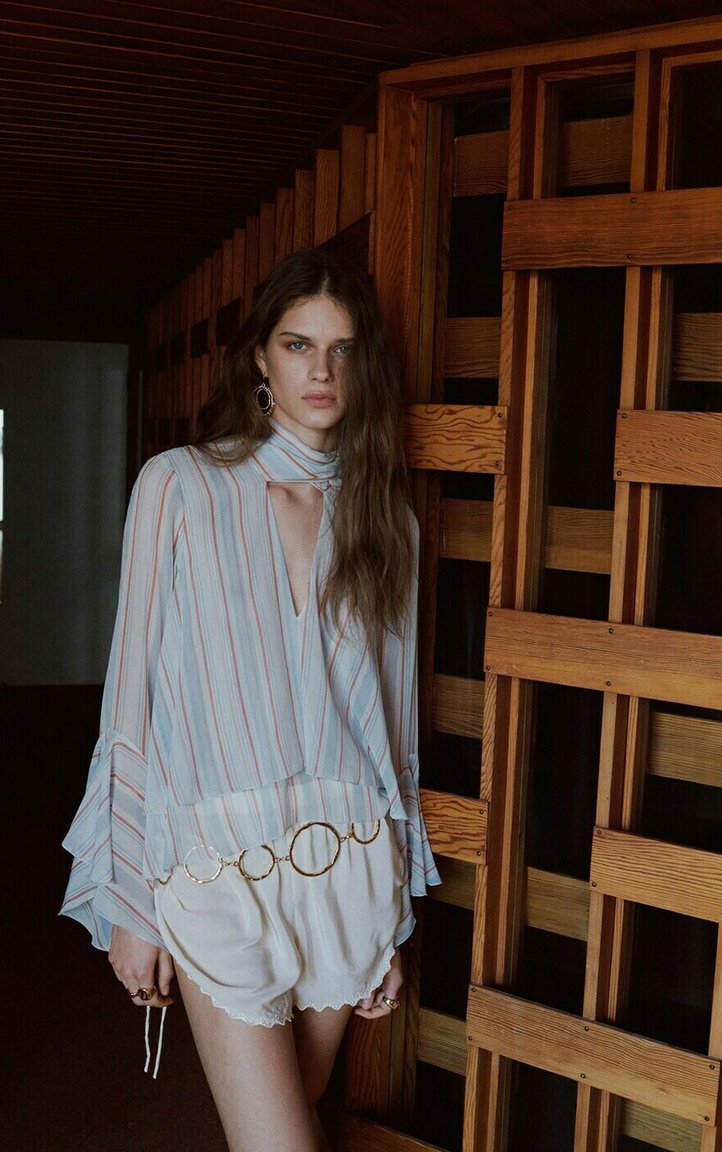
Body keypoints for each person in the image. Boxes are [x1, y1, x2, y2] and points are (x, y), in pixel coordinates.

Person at [60, 249, 440, 1152]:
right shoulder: (180, 485)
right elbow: (131, 701)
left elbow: (393, 733)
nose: (322, 369)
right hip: (213, 871)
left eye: (343, 349)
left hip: (346, 868)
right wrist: (132, 901)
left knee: (285, 1124)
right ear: (261, 359)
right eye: (299, 344)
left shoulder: (389, 521)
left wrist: (391, 919)